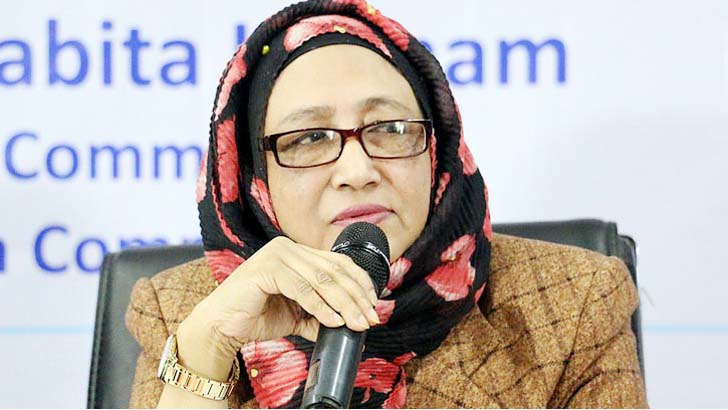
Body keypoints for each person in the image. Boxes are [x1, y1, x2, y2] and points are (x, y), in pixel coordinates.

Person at [125, 0, 648, 408]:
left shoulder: (575, 304)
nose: (357, 171)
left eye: (391, 128)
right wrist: (207, 352)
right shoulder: (182, 311)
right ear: (253, 176)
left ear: (438, 151)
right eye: (309, 138)